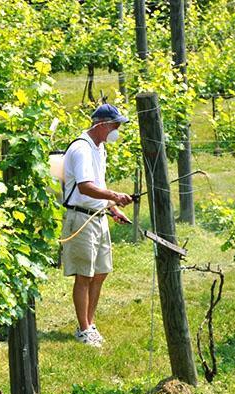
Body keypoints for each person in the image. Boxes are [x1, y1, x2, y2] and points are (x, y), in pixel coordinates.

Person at [61, 104, 133, 347]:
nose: (117, 130)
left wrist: (113, 208)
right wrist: (115, 195)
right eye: (115, 125)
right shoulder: (81, 148)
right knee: (84, 275)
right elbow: (85, 186)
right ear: (101, 124)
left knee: (101, 272)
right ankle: (83, 329)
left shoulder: (100, 149)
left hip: (98, 215)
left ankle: (89, 323)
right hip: (81, 217)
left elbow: (98, 184)